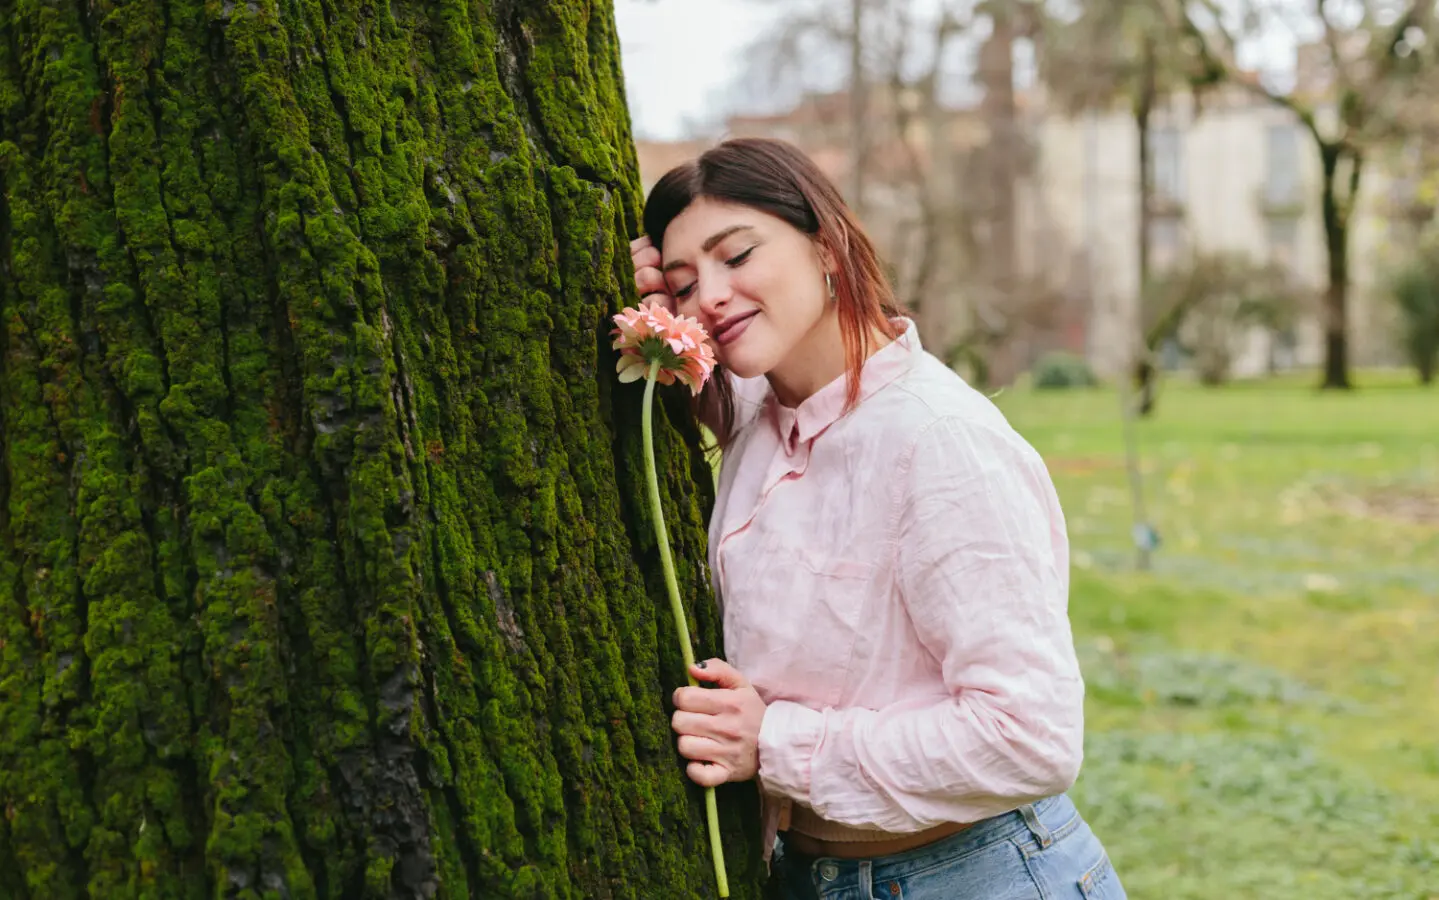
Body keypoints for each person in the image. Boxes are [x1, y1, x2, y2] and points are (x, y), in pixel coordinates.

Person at [630, 137, 1125, 900]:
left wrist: (773, 743)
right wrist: (660, 330)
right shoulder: (762, 416)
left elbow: (1030, 739)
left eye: (738, 256)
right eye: (686, 282)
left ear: (825, 247)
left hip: (972, 876)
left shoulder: (936, 441)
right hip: (809, 877)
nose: (712, 298)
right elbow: (711, 396)